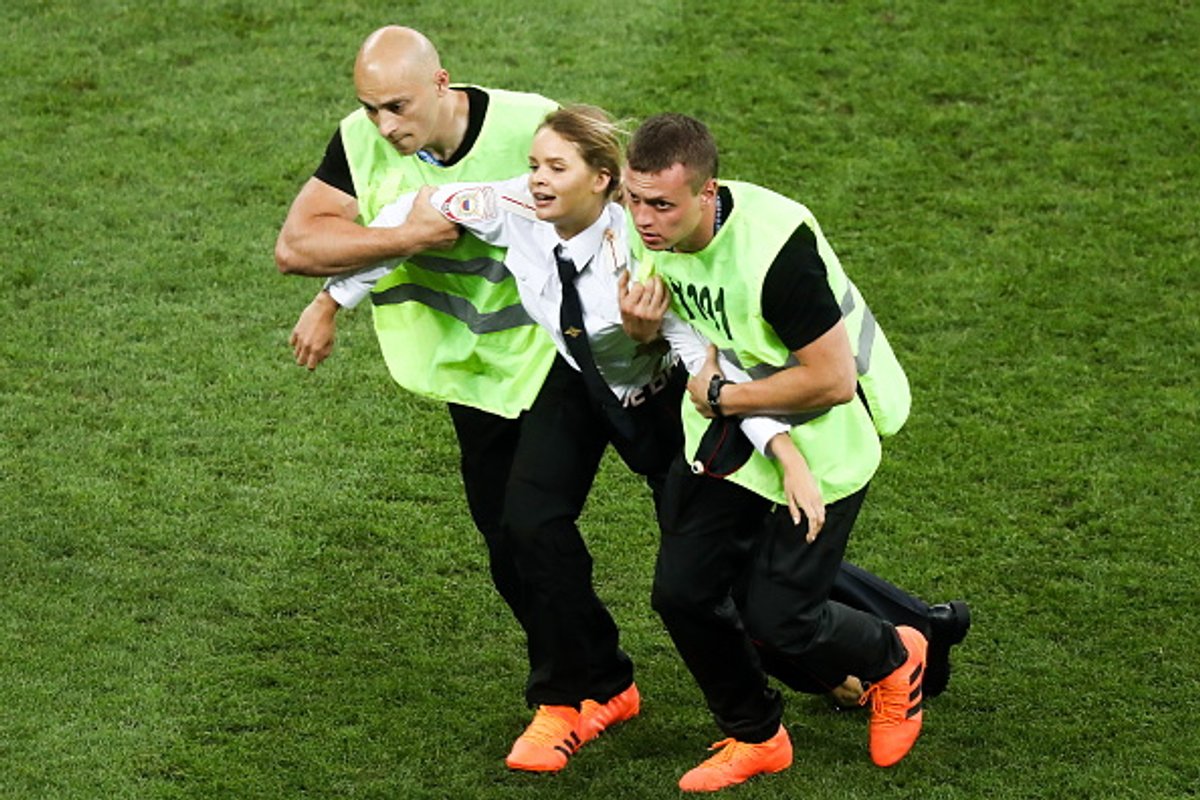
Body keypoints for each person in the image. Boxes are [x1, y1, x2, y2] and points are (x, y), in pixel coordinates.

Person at [322, 105, 818, 772]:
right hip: (580, 380)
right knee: (526, 522)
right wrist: (331, 302)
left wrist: (782, 452)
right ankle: (585, 690)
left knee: (715, 573)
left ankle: (872, 650)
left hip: (670, 405)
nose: (536, 181)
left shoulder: (645, 256)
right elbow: (411, 215)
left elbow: (709, 360)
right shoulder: (514, 204)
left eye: (556, 168)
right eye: (533, 164)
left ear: (604, 181)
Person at [618, 113, 944, 791]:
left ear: (708, 193)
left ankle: (898, 655)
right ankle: (756, 735)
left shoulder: (774, 251)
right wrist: (641, 329)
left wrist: (724, 399)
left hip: (825, 437)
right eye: (633, 198)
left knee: (779, 617)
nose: (642, 219)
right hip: (737, 431)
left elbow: (830, 380)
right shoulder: (646, 226)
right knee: (682, 594)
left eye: (661, 205)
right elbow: (683, 330)